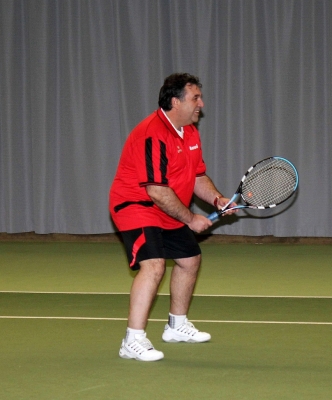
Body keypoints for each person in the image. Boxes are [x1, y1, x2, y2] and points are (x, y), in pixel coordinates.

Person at [109, 73, 236, 361]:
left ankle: (176, 326)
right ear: (176, 102)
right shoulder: (152, 133)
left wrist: (216, 198)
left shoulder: (190, 131)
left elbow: (197, 176)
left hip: (167, 204)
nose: (201, 104)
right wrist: (191, 219)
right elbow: (155, 190)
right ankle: (133, 339)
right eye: (195, 98)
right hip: (136, 204)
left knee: (190, 260)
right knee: (153, 266)